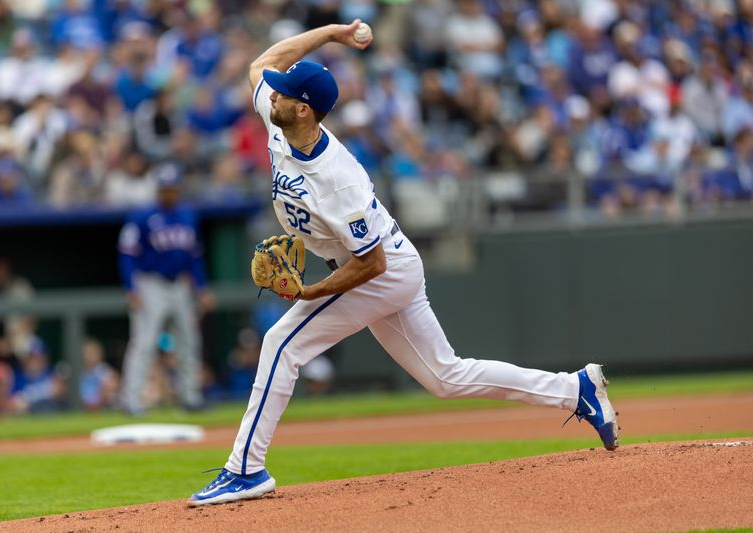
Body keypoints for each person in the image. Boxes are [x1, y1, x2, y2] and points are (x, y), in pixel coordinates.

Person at [187, 20, 619, 507]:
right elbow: (261, 64)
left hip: (382, 268)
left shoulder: (339, 180)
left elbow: (369, 265)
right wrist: (330, 32)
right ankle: (575, 389)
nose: (273, 95)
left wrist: (310, 292)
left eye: (285, 94)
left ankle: (245, 469)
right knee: (445, 377)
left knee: (281, 342)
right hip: (388, 262)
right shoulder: (279, 114)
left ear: (303, 109)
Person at [117, 162, 216, 415]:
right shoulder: (143, 217)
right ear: (158, 190)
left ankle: (190, 396)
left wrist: (201, 288)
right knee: (145, 342)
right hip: (151, 283)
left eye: (172, 188)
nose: (169, 193)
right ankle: (132, 399)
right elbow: (127, 254)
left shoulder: (187, 216)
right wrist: (132, 288)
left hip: (180, 285)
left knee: (188, 341)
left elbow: (194, 257)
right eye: (165, 189)